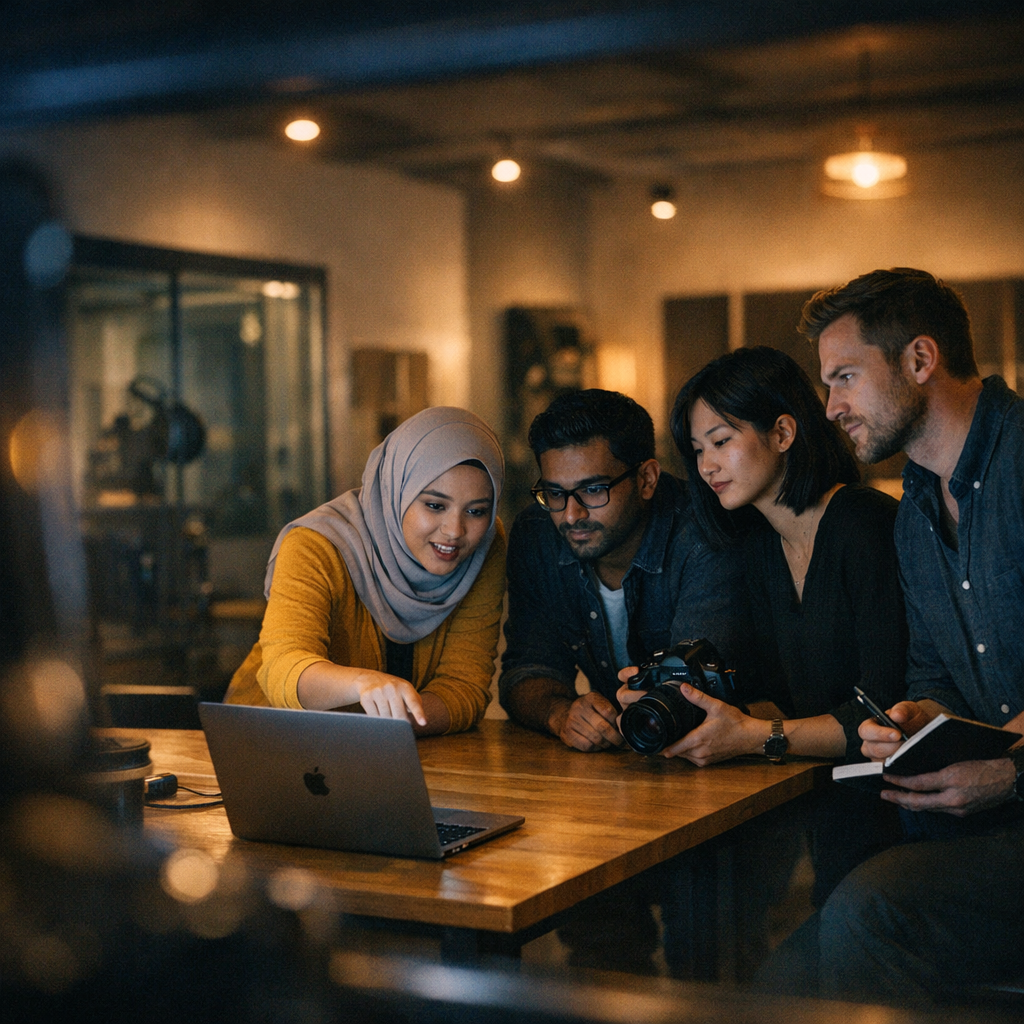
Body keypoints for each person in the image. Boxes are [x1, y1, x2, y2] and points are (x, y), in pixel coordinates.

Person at [794, 267, 1024, 1009]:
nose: (832, 407)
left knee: (867, 913)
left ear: (920, 360)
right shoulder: (914, 510)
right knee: (787, 968)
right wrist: (923, 719)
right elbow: (937, 674)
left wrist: (1014, 768)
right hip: (986, 823)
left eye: (846, 378)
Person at [618, 347, 905, 928]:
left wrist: (757, 736)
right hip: (831, 817)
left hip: (903, 817)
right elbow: (772, 690)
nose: (705, 466)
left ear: (782, 432)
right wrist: (683, 703)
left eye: (721, 441)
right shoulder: (756, 546)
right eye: (697, 450)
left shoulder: (863, 522)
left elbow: (883, 713)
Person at [498, 388, 749, 976]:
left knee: (708, 966)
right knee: (598, 944)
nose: (571, 515)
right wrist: (561, 712)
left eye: (592, 490)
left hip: (727, 773)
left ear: (646, 478)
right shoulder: (539, 535)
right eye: (554, 493)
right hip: (616, 781)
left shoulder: (701, 531)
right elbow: (525, 673)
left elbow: (693, 693)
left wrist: (624, 706)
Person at [225, 406, 506, 736]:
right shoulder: (314, 545)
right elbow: (283, 668)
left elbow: (464, 687)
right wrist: (361, 683)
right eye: (434, 505)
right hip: (267, 740)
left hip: (392, 755)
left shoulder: (484, 546)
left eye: (476, 511)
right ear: (396, 490)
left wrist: (382, 733)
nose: (455, 530)